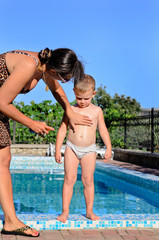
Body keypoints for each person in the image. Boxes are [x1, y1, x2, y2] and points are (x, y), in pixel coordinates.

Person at [0, 48, 92, 237]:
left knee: (3, 161)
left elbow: (56, 90)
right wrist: (31, 123)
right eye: (64, 78)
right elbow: (2, 101)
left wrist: (70, 111)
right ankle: (10, 220)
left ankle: (10, 220)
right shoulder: (29, 65)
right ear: (54, 70)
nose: (63, 83)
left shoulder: (44, 66)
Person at [55, 74, 112, 223]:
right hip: (71, 148)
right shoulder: (70, 110)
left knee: (88, 180)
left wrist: (108, 147)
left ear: (93, 94)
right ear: (74, 92)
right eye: (79, 98)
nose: (82, 102)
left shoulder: (97, 111)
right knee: (69, 179)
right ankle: (65, 212)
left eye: (86, 99)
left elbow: (103, 130)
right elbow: (62, 129)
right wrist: (57, 149)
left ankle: (89, 211)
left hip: (89, 150)